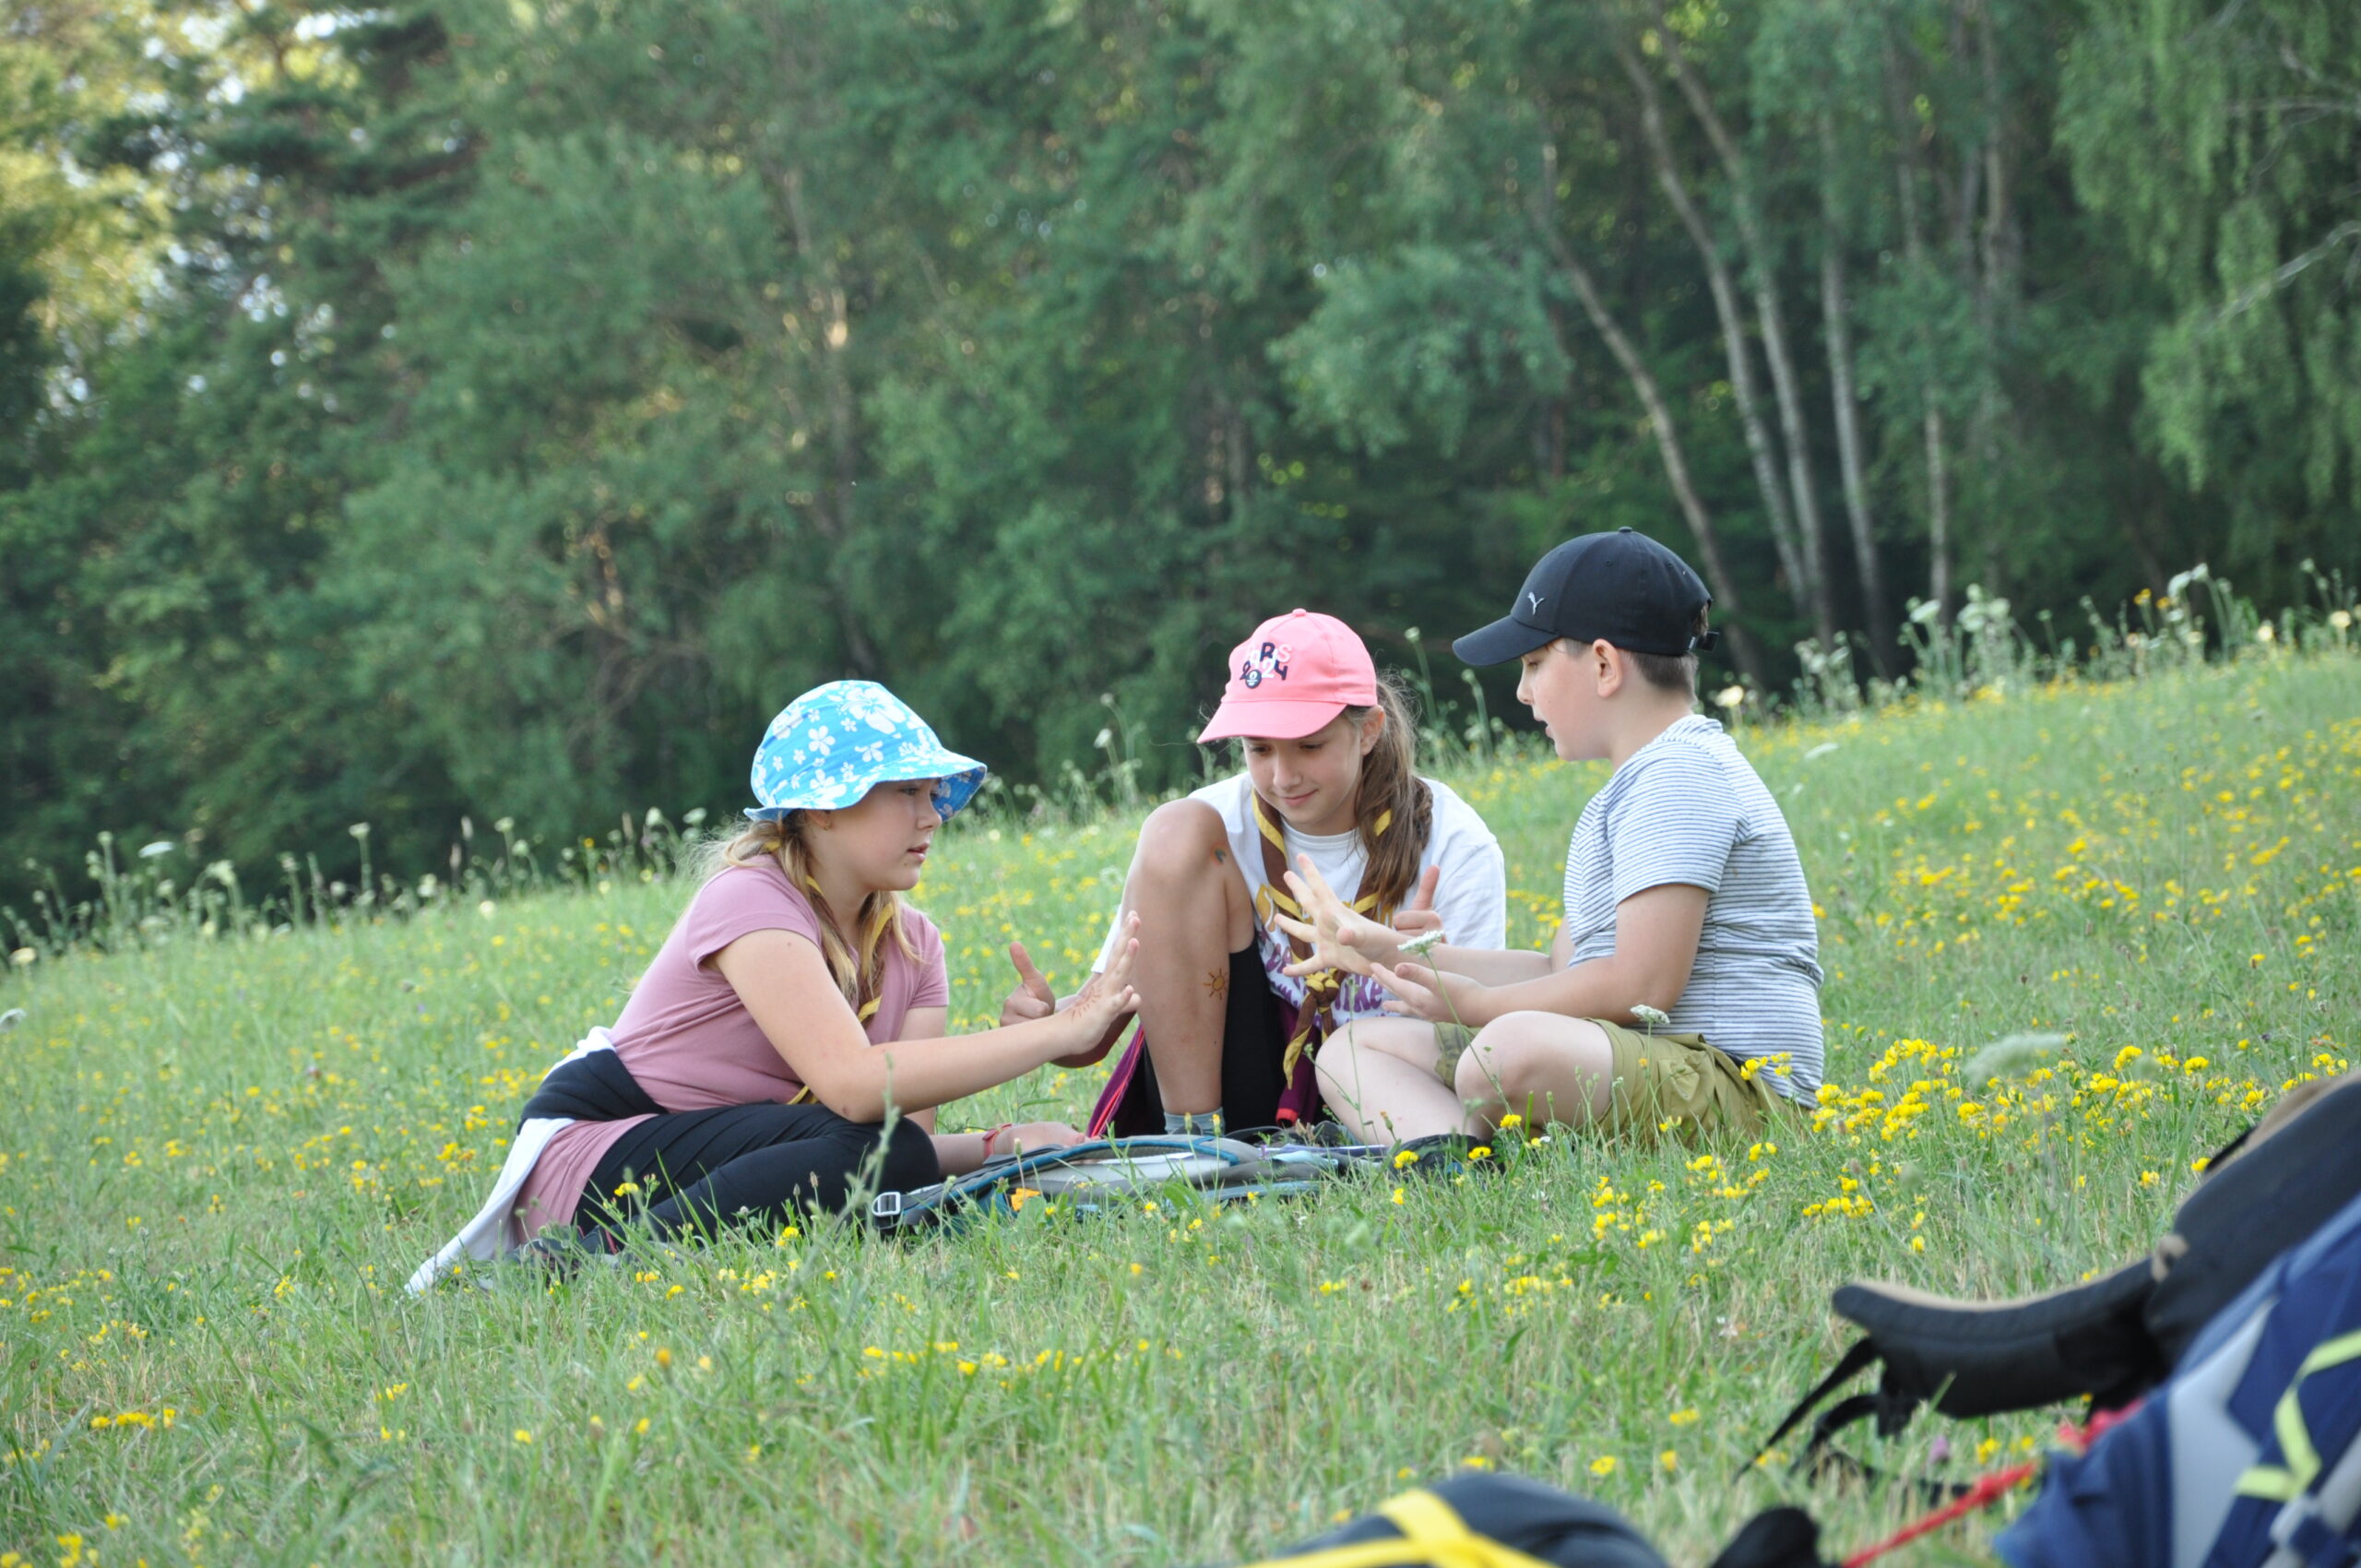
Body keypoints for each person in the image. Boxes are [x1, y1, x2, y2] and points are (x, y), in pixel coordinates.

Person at [409, 681, 1136, 1285]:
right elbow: (855, 1087)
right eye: (905, 792)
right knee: (878, 1156)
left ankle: (624, 1257)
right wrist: (1053, 1036)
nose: (931, 816)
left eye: (934, 792)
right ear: (822, 808)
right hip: (603, 1155)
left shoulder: (916, 947)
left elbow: (900, 1147)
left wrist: (1001, 1146)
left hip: (731, 1154)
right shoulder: (750, 897)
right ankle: (581, 1265)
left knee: (896, 1164)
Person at [1283, 530, 1821, 1144]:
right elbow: (1558, 968)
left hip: (1736, 1086)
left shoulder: (1678, 776)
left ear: (1604, 665)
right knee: (1353, 1050)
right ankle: (1457, 1161)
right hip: (1649, 1066)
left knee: (1506, 1048)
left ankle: (1479, 1138)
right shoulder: (1632, 788)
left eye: (1534, 664)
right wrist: (1391, 952)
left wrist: (1477, 1006)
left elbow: (1643, 985)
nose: (1523, 690)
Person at [1010, 608, 1505, 1140]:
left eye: (1309, 746)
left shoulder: (1454, 840)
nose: (1283, 776)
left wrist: (1430, 966)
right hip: (1239, 1091)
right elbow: (1099, 1024)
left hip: (1390, 1093)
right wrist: (1043, 1027)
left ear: (1368, 731)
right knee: (1175, 827)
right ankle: (1196, 1148)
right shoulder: (1212, 826)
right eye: (1259, 749)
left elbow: (1483, 1044)